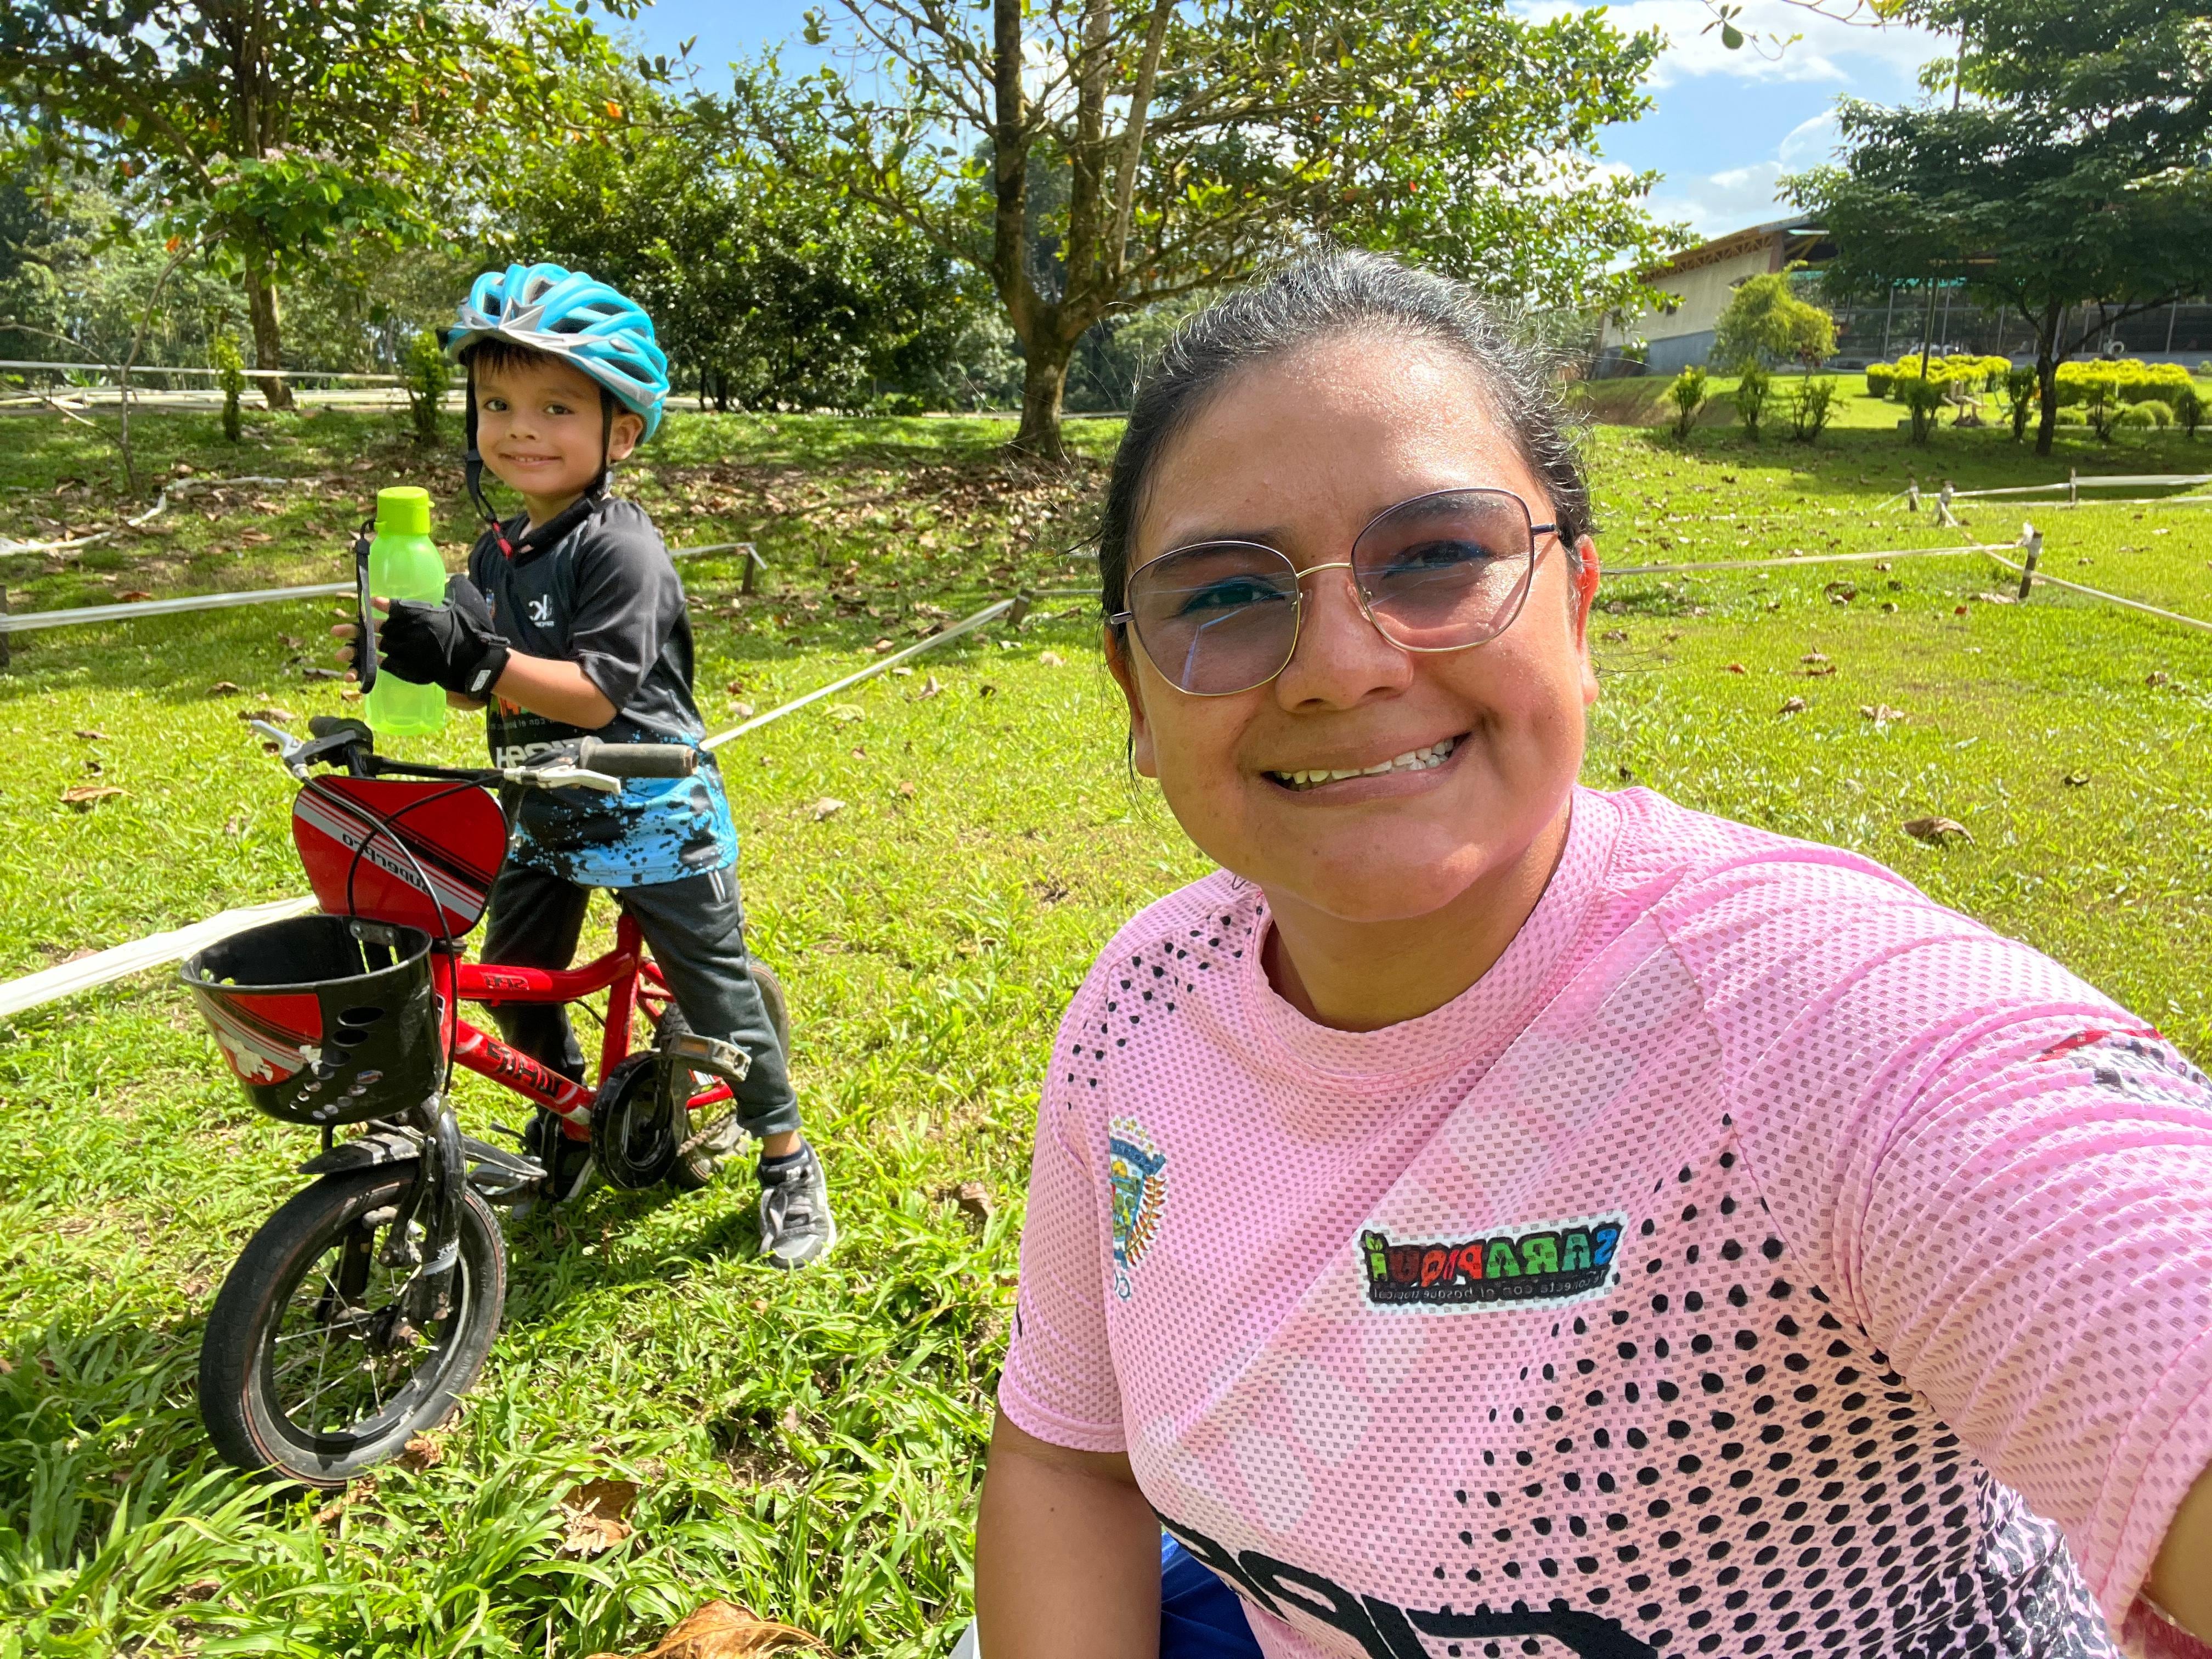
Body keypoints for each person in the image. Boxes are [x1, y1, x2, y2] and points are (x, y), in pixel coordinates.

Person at [974, 252, 2212, 1658]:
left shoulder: (1819, 1026)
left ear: (1579, 609)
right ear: (1134, 694)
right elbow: (1072, 1463)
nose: (1340, 665)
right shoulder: (1146, 999)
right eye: (1220, 595)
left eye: (1436, 556)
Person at [338, 262, 835, 1269]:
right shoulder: (494, 553)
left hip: (653, 805)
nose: (521, 427)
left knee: (721, 993)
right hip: (541, 806)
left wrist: (480, 658)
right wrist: (424, 658)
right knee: (517, 982)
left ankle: (785, 1155)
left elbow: (597, 692)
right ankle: (565, 1119)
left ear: (621, 432)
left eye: (557, 407)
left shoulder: (622, 548)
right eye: (498, 403)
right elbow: (490, 690)